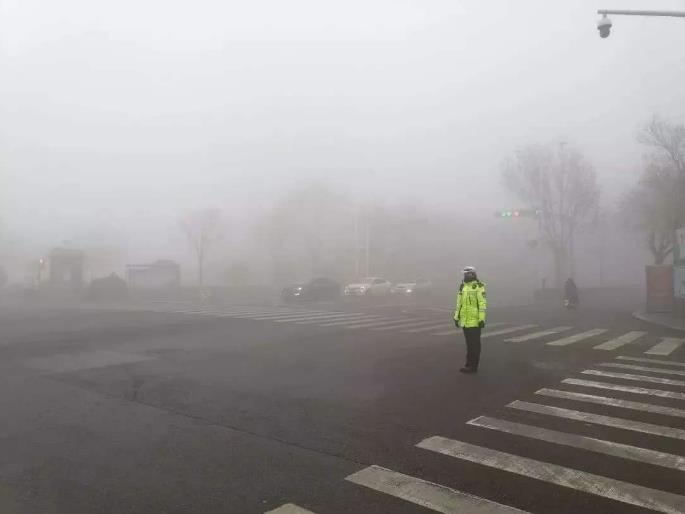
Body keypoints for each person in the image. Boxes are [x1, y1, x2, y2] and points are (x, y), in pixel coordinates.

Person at [453, 266, 487, 374]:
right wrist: (456, 317)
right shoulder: (463, 286)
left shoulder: (478, 286)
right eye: (464, 274)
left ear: (472, 274)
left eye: (467, 274)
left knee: (475, 345)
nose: (465, 275)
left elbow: (482, 304)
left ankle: (473, 366)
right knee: (469, 344)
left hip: (475, 321)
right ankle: (468, 363)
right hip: (465, 321)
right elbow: (459, 304)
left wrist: (481, 319)